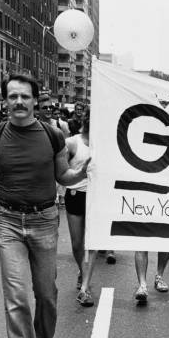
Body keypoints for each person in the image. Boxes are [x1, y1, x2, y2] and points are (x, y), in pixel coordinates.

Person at [0, 73, 90, 338]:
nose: (19, 102)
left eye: (25, 96)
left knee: (46, 294)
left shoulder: (53, 136)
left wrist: (77, 173)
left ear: (35, 100)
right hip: (8, 222)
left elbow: (62, 174)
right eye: (13, 96)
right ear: (5, 100)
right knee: (16, 298)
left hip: (44, 221)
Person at [64, 108, 96, 307]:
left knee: (93, 242)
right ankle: (82, 271)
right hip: (75, 195)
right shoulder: (72, 142)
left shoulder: (103, 144)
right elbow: (61, 170)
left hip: (96, 197)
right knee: (77, 243)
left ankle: (85, 285)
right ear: (85, 119)